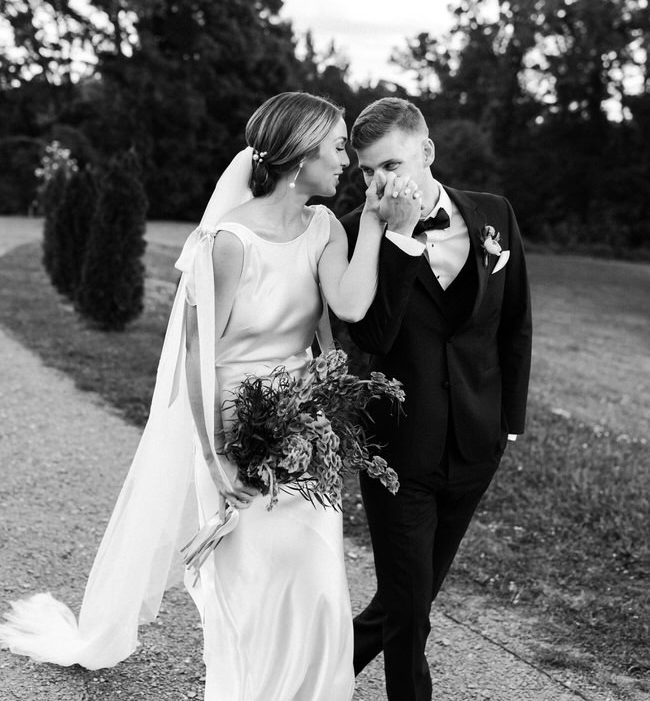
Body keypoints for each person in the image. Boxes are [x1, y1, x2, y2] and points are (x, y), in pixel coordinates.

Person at [0, 91, 422, 701]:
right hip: (233, 422)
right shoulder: (227, 242)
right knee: (249, 587)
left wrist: (379, 225)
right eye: (335, 148)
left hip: (305, 425)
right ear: (300, 155)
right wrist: (216, 456)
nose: (344, 162)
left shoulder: (327, 227)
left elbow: (353, 306)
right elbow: (199, 358)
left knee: (320, 583)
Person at [339, 97, 532, 701]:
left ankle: (305, 679)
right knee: (408, 611)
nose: (378, 183)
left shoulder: (493, 215)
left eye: (390, 165)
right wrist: (395, 236)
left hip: (476, 444)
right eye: (366, 171)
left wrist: (510, 424)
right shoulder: (354, 232)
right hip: (396, 451)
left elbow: (516, 322)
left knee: (408, 601)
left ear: (426, 152)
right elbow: (372, 336)